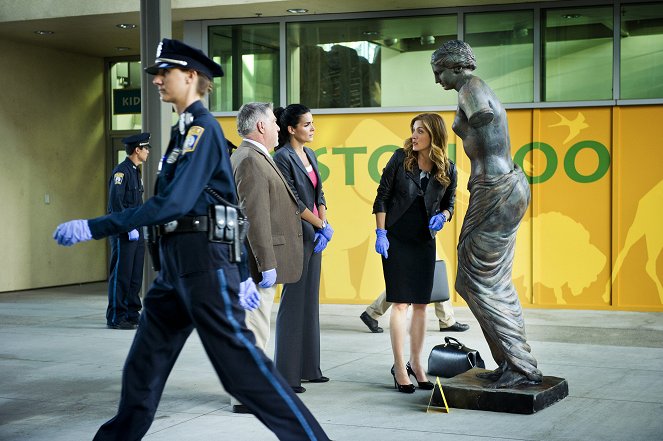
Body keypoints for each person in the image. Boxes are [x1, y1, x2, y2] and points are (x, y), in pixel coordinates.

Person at [53, 38, 330, 441]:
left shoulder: (204, 130)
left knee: (245, 377)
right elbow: (229, 207)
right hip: (176, 273)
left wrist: (96, 227)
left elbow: (176, 202)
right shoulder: (182, 133)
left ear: (192, 77)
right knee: (141, 372)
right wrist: (242, 272)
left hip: (203, 270)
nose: (158, 80)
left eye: (166, 73)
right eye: (158, 74)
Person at [431, 40, 542, 389]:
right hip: (501, 185)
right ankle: (513, 361)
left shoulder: (471, 88)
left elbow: (482, 114)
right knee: (491, 281)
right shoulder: (473, 88)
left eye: (439, 71)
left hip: (496, 187)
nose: (437, 79)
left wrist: (470, 110)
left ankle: (520, 365)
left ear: (456, 66)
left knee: (474, 280)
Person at [372, 113, 457, 393]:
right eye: (413, 130)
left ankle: (416, 364)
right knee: (399, 303)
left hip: (423, 240)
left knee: (421, 305)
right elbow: (382, 196)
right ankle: (399, 368)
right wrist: (381, 233)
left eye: (420, 131)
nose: (414, 135)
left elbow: (450, 203)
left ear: (434, 134)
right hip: (396, 237)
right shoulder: (400, 158)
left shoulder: (448, 168)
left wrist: (443, 216)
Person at [230, 102, 307, 408]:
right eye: (274, 122)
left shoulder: (256, 156)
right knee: (255, 328)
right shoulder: (249, 159)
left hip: (259, 262)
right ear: (260, 126)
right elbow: (255, 216)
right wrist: (267, 264)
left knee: (256, 328)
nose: (278, 127)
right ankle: (247, 395)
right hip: (257, 264)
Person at [272, 104, 333, 393]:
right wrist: (320, 225)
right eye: (307, 124)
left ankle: (310, 368)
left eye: (312, 123)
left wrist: (324, 220)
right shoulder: (281, 158)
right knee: (293, 303)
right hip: (297, 234)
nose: (312, 128)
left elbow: (318, 192)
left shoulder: (310, 154)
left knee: (310, 301)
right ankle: (287, 375)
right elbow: (293, 201)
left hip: (313, 233)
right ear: (291, 129)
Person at [105, 132, 149, 330]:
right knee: (121, 275)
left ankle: (132, 313)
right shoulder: (121, 172)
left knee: (134, 275)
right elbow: (116, 204)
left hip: (136, 230)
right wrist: (128, 227)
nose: (148, 152)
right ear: (137, 150)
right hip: (124, 232)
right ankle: (116, 315)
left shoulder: (135, 171)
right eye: (146, 148)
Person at [359, 292, 468, 334]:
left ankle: (371, 314)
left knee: (404, 281)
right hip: (417, 242)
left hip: (417, 242)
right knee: (436, 272)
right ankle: (446, 320)